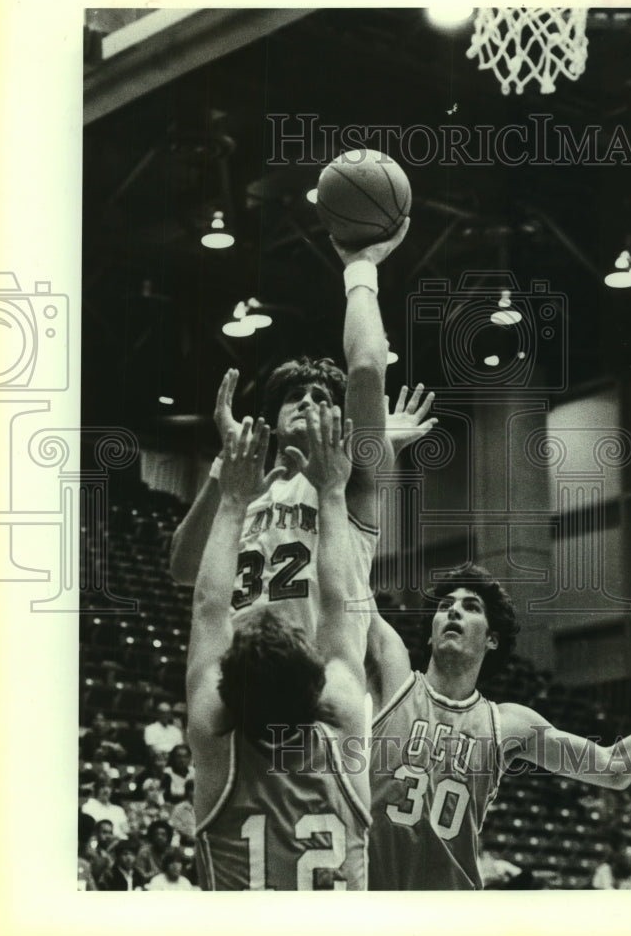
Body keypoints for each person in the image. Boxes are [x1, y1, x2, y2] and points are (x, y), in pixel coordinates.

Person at [169, 222, 434, 646]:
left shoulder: (350, 479)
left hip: (321, 677)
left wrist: (361, 269)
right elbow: (183, 568)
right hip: (240, 677)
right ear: (273, 421)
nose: (309, 402)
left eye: (322, 397)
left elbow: (366, 368)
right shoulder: (240, 492)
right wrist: (226, 464)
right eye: (295, 395)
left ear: (339, 420)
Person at [365, 563, 631, 890]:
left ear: (492, 639)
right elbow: (348, 582)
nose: (453, 611)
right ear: (431, 630)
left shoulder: (507, 724)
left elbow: (615, 768)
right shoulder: (394, 678)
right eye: (445, 605)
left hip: (453, 917)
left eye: (471, 607)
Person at [188, 406, 372, 890]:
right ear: (319, 689)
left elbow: (210, 606)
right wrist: (333, 492)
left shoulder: (217, 751)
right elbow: (340, 602)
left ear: (229, 692)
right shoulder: (346, 733)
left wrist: (231, 501)